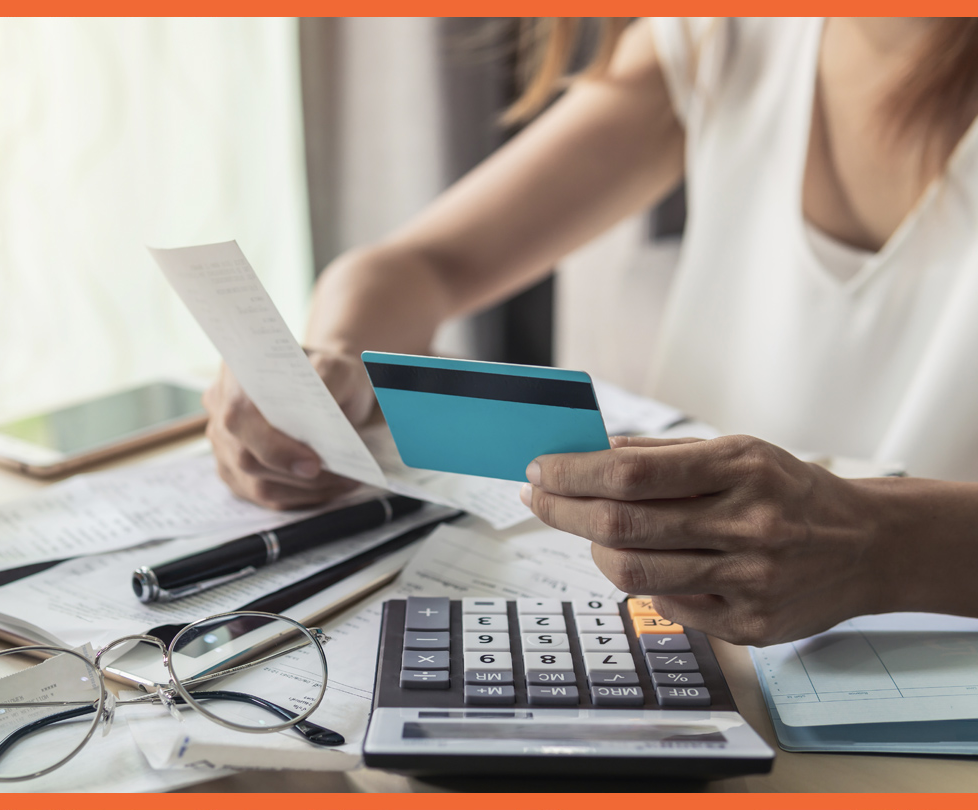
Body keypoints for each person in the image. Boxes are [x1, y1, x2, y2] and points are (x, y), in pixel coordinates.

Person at [203, 18, 978, 646]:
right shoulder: (723, 39)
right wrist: (327, 367)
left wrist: (881, 544)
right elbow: (421, 264)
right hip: (687, 645)